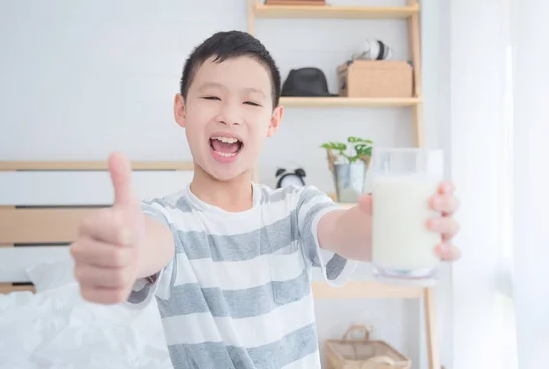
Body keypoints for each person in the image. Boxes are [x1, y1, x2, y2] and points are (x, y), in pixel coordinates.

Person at [69, 30, 461, 368]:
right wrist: (124, 250)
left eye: (251, 102)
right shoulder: (167, 221)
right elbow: (144, 243)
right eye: (211, 97)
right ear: (181, 109)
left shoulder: (294, 206)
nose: (229, 115)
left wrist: (390, 226)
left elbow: (343, 228)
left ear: (273, 120)